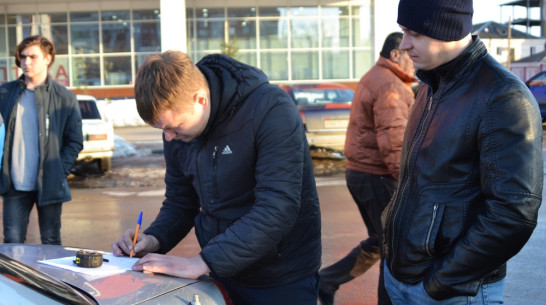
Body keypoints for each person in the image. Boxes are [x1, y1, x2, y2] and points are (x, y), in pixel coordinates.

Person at [111, 51, 322, 305]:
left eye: (173, 127)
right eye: (162, 129)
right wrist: (154, 239)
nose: (168, 138)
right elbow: (181, 202)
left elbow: (277, 208)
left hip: (280, 276)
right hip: (221, 271)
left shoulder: (270, 109)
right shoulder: (179, 128)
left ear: (200, 99)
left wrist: (202, 262)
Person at [382, 0, 543, 304]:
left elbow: (513, 212)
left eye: (414, 33)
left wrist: (440, 281)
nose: (404, 44)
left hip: (451, 290)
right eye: (403, 32)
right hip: (404, 277)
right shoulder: (432, 85)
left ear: (447, 29)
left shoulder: (503, 96)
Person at [318, 32, 416, 305]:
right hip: (378, 175)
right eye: (408, 51)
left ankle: (326, 281)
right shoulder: (390, 84)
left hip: (364, 173)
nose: (413, 58)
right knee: (393, 249)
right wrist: (408, 182)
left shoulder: (377, 76)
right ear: (395, 54)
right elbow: (394, 137)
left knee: (380, 242)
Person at [0, 35, 83, 245]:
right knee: (12, 242)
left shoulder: (65, 98)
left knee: (51, 241)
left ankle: (48, 280)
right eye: (23, 57)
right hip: (13, 184)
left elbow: (75, 141)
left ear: (48, 58)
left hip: (50, 182)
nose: (26, 62)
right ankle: (15, 280)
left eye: (33, 57)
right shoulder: (5, 94)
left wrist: (58, 169)